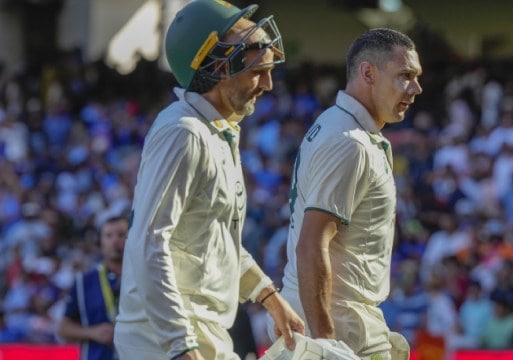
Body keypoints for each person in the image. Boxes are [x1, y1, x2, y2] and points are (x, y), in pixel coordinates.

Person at [113, 1, 304, 359]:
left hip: (201, 334)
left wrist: (268, 296)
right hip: (165, 342)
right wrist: (179, 346)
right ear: (217, 67)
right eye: (257, 71)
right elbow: (149, 243)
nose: (269, 83)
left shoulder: (218, 131)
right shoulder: (183, 133)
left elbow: (215, 240)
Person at [273, 28, 423, 359]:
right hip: (338, 321)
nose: (416, 88)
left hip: (340, 315)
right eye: (405, 76)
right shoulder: (349, 141)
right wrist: (326, 345)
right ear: (368, 72)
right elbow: (312, 244)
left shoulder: (343, 128)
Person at [57, 214, 128, 360]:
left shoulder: (143, 278)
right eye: (108, 236)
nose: (115, 241)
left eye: (121, 235)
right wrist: (92, 332)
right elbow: (63, 329)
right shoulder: (83, 282)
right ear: (100, 242)